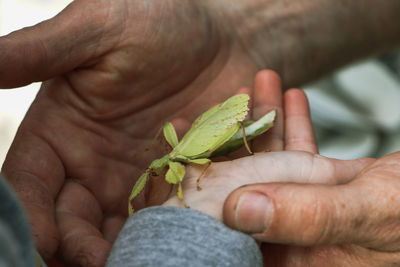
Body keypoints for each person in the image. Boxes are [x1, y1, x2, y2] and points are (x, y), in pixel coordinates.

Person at [0, 0, 400, 266]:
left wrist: (236, 29)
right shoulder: (172, 160)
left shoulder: (175, 159)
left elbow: (193, 170)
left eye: (156, 167)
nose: (155, 169)